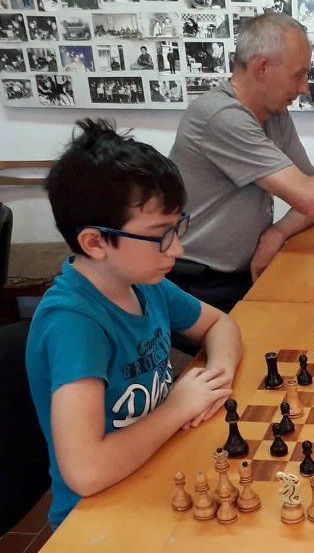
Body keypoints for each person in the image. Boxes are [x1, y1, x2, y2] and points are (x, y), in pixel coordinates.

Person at [25, 119, 243, 528]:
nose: (177, 248)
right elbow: (86, 471)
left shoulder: (142, 283)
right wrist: (177, 407)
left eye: (177, 227)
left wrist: (216, 376)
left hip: (154, 468)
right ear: (95, 242)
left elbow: (220, 325)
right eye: (160, 234)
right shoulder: (75, 324)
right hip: (98, 517)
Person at [168, 12, 314, 312]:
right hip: (198, 284)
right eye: (299, 74)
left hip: (242, 272)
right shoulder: (221, 116)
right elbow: (311, 197)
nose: (304, 88)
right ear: (262, 67)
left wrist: (277, 232)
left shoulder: (273, 114)